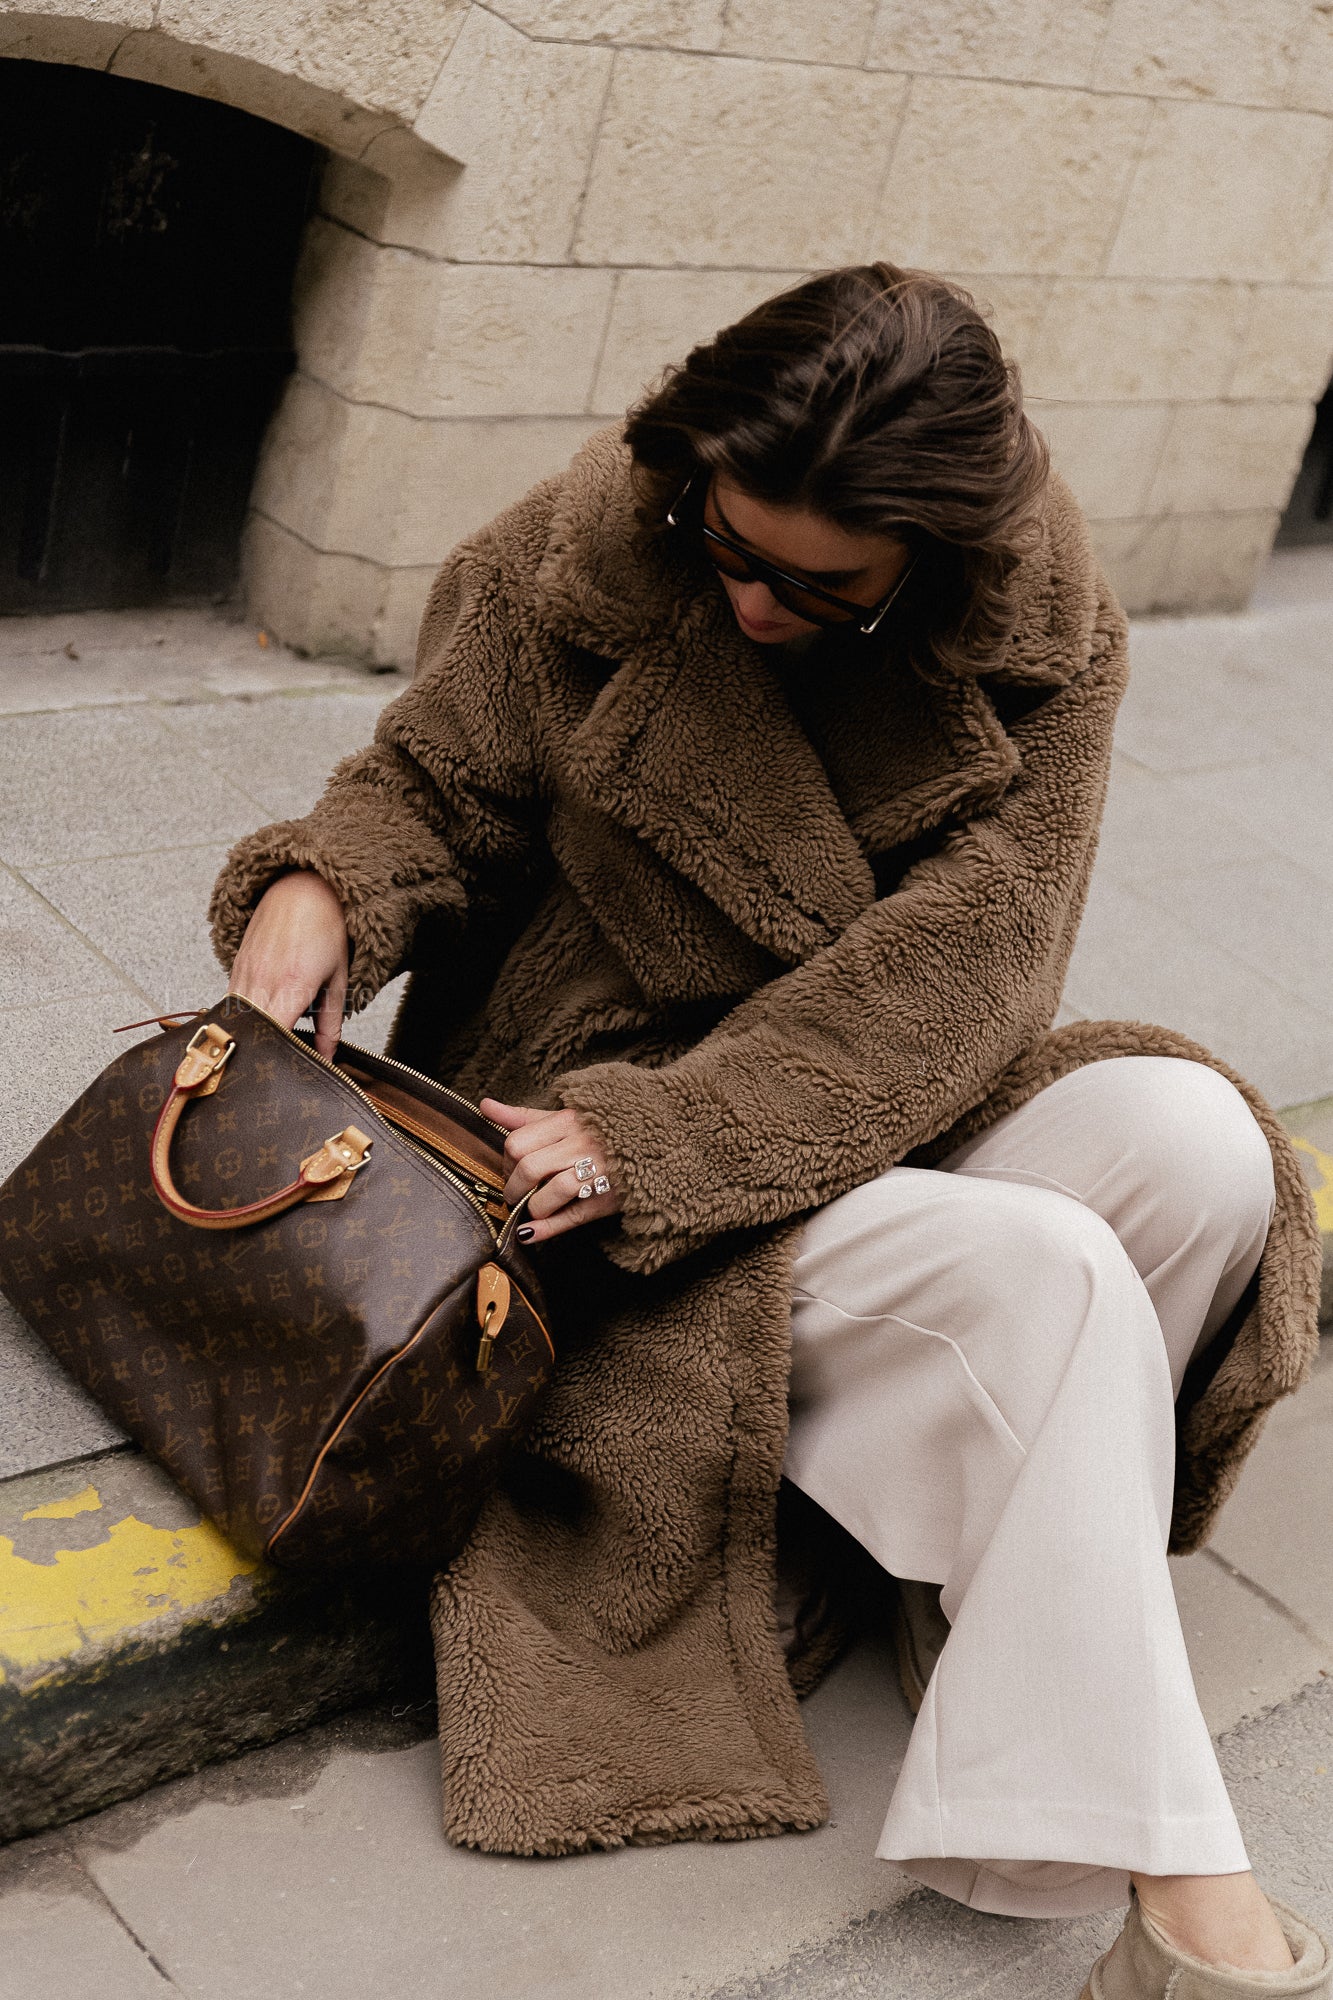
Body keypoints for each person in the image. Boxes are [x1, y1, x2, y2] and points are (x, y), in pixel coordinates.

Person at [212, 265, 1328, 1998]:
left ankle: (986, 1590)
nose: (750, 599)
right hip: (565, 1157)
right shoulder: (588, 554)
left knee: (1200, 1147)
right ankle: (1192, 1900)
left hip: (787, 1114)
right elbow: (429, 784)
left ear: (935, 562)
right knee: (1051, 1273)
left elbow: (972, 969)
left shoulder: (1047, 644)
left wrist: (676, 1135)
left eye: (820, 585)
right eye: (729, 548)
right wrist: (321, 883)